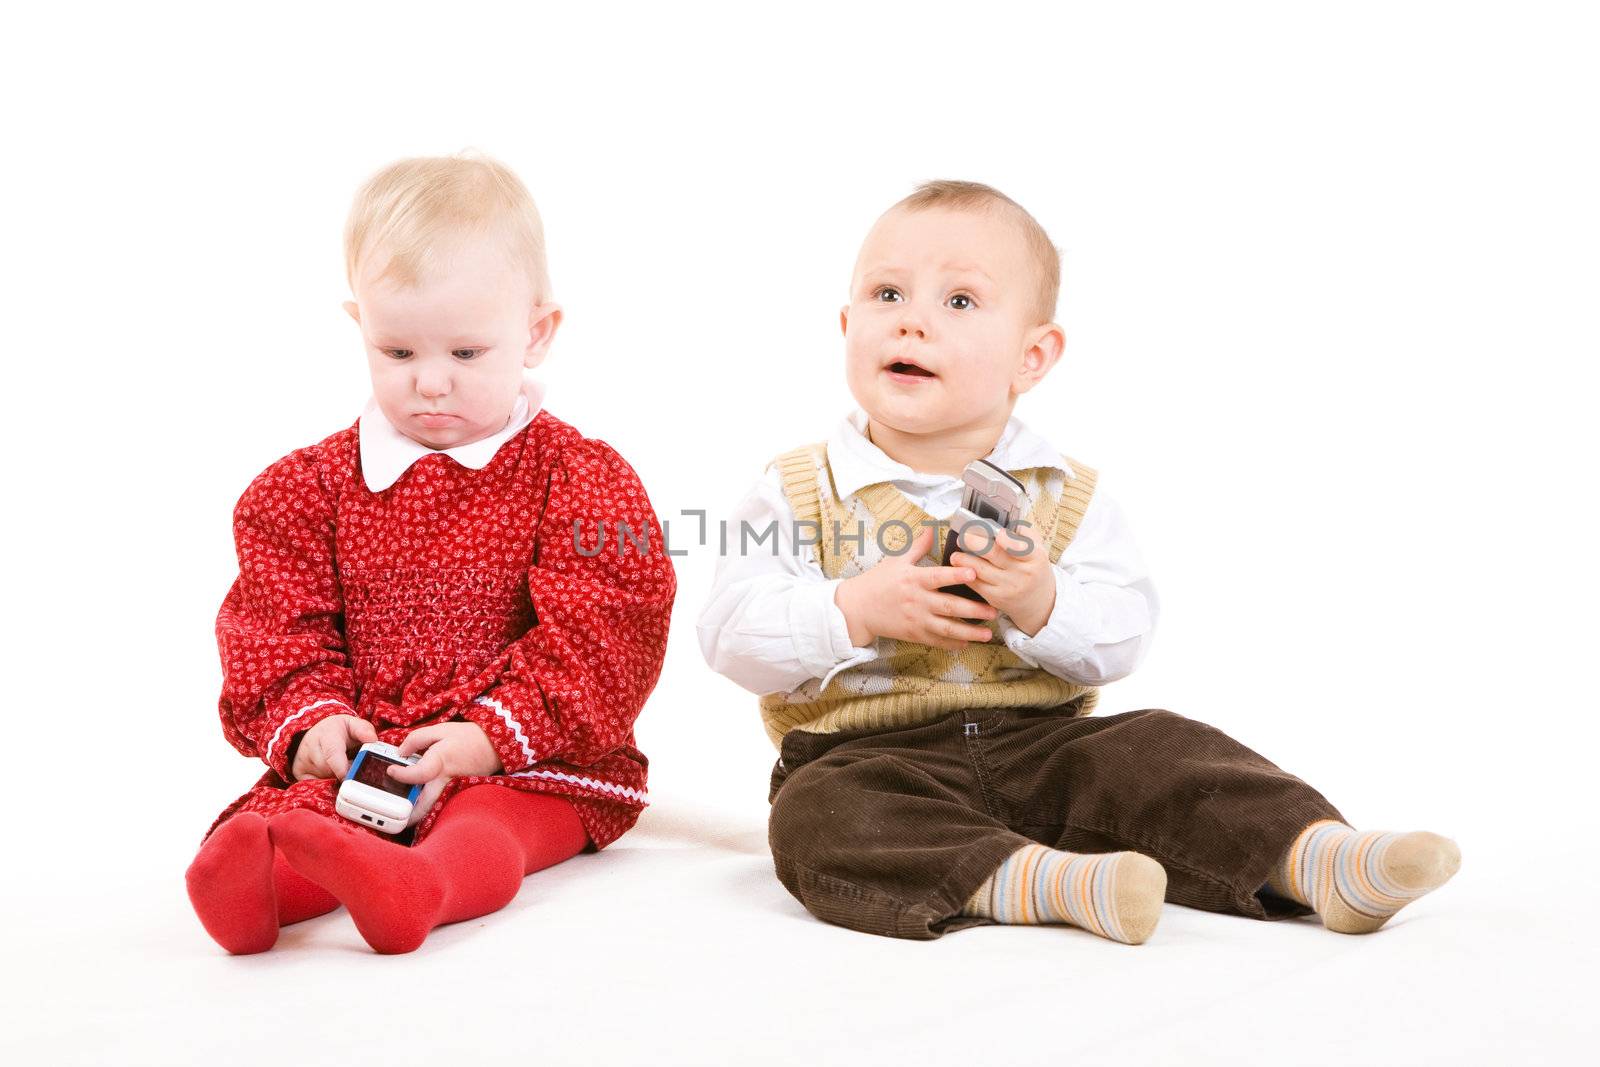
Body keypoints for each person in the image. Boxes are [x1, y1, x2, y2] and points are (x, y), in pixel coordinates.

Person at [698, 179, 1460, 943]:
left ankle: (1318, 857)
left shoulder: (1065, 493)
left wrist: (1041, 600)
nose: (913, 322)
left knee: (1163, 746)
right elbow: (728, 631)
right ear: (846, 323)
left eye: (959, 301)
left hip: (1044, 744)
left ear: (1032, 355)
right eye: (887, 293)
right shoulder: (797, 487)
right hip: (863, 757)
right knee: (817, 819)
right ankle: (1047, 881)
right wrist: (852, 609)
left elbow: (1125, 631)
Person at [185, 152, 675, 955]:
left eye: (467, 353)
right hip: (371, 761)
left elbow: (604, 634)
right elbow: (276, 626)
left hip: (524, 760)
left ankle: (423, 886)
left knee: (489, 822)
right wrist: (314, 723)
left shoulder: (576, 478)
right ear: (363, 330)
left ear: (536, 332)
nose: (431, 383)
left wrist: (487, 735)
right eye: (400, 353)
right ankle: (268, 879)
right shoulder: (308, 488)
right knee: (302, 809)